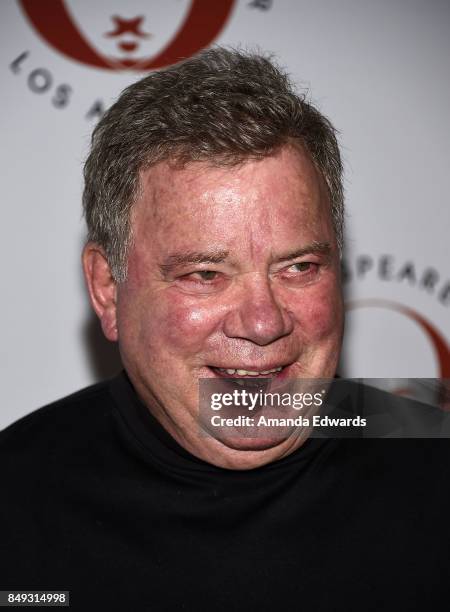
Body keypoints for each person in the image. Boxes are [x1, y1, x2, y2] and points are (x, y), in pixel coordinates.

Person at [1, 47, 448, 611]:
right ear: (108, 289)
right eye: (205, 274)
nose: (263, 322)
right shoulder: (14, 501)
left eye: (299, 268)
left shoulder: (435, 468)